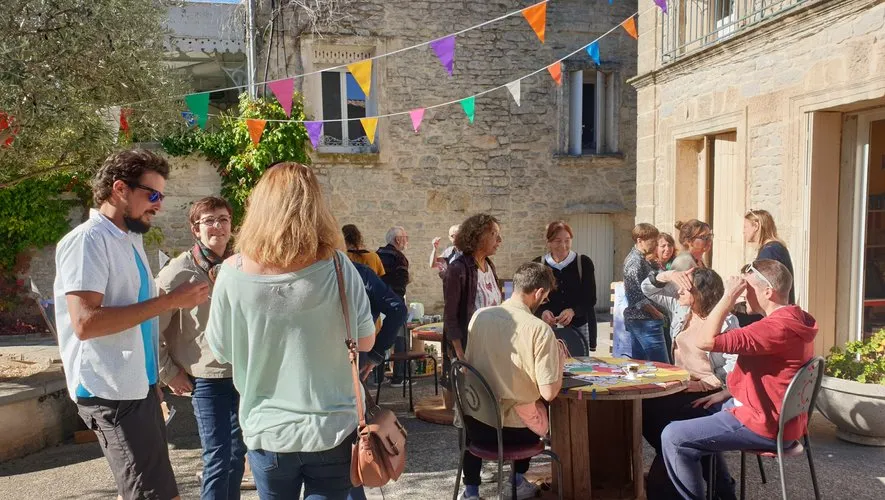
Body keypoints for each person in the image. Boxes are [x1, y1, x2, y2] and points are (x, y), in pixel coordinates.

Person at [205, 163, 376, 500]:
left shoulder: (230, 273)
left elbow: (221, 351)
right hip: (332, 430)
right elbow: (366, 340)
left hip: (268, 432)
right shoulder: (339, 267)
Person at [54, 149, 209, 500]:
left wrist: (151, 378)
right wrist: (171, 300)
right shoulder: (87, 242)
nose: (159, 205)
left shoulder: (129, 239)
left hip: (135, 388)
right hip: (109, 393)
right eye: (152, 195)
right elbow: (85, 323)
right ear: (120, 188)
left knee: (153, 492)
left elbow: (138, 321)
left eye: (162, 196)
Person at [661, 260, 818, 500]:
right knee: (692, 411)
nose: (744, 294)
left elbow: (704, 340)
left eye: (748, 288)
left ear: (768, 292)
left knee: (673, 436)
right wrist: (728, 392)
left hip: (761, 421)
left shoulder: (771, 329)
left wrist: (728, 297)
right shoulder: (796, 318)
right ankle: (724, 492)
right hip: (781, 418)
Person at [155, 196, 247, 499]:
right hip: (206, 378)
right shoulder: (177, 272)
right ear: (196, 229)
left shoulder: (242, 266)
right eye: (209, 220)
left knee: (237, 456)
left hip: (245, 375)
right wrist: (168, 373)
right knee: (218, 457)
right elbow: (152, 329)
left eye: (223, 219)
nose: (217, 226)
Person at [457, 262, 565, 500]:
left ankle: (471, 492)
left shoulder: (479, 316)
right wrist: (559, 364)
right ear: (538, 293)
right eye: (544, 298)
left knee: (489, 403)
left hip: (476, 425)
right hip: (515, 434)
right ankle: (516, 480)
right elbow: (548, 393)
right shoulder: (539, 329)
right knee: (534, 405)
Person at [640, 268, 739, 500]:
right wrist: (669, 275)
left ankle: (665, 487)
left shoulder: (726, 321)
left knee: (674, 425)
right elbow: (647, 288)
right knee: (644, 408)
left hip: (712, 392)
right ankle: (722, 487)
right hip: (680, 386)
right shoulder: (681, 307)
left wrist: (704, 385)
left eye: (686, 288)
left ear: (702, 293)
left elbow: (734, 369)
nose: (679, 292)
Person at [347, 261, 407, 500]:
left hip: (342, 360)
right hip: (355, 356)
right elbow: (397, 309)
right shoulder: (357, 272)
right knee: (352, 436)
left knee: (347, 441)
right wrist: (375, 352)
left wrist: (376, 352)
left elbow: (397, 309)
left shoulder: (357, 272)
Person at [443, 213, 503, 391]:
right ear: (478, 237)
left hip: (492, 347)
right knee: (472, 403)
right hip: (470, 350)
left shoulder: (489, 265)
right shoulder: (458, 269)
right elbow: (450, 316)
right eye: (494, 234)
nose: (499, 239)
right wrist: (460, 354)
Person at [533, 220, 598, 352]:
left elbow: (590, 299)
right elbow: (532, 299)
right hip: (547, 329)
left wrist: (573, 311)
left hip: (578, 328)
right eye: (557, 241)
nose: (563, 245)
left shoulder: (583, 263)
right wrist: (543, 312)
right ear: (548, 242)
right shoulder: (538, 265)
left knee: (578, 368)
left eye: (567, 240)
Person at [623, 223, 668, 362]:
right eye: (652, 241)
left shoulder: (644, 259)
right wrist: (657, 314)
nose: (655, 244)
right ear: (640, 240)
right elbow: (636, 296)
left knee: (641, 365)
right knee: (663, 367)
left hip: (643, 320)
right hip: (645, 320)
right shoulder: (634, 262)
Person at [378, 226, 411, 386]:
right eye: (405, 237)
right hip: (394, 301)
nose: (406, 241)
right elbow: (401, 281)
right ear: (397, 240)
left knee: (379, 336)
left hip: (377, 301)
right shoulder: (399, 257)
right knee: (400, 340)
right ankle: (399, 378)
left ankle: (378, 377)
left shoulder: (377, 254)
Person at [743, 209, 795, 303]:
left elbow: (764, 285)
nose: (743, 231)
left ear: (756, 226)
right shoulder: (774, 248)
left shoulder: (770, 251)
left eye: (745, 227)